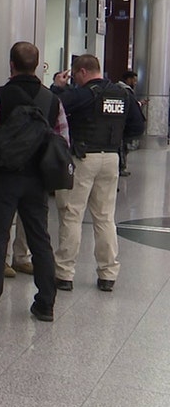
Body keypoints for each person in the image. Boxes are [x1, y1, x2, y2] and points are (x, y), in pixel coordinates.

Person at [0, 42, 68, 324]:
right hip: (36, 181)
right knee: (40, 240)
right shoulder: (52, 100)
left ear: (11, 65)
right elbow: (62, 143)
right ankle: (45, 304)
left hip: (4, 178)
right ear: (37, 64)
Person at [50, 54, 144, 292]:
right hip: (111, 158)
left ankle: (64, 274)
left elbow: (55, 107)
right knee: (104, 217)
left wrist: (57, 86)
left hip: (83, 158)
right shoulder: (123, 94)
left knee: (72, 215)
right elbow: (137, 127)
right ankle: (108, 274)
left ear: (82, 72)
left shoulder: (84, 93)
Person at [115, 70, 144, 177]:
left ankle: (122, 167)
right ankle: (121, 167)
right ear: (128, 79)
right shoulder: (123, 91)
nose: (135, 83)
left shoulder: (127, 91)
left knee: (124, 148)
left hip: (127, 126)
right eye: (134, 80)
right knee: (122, 148)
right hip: (125, 126)